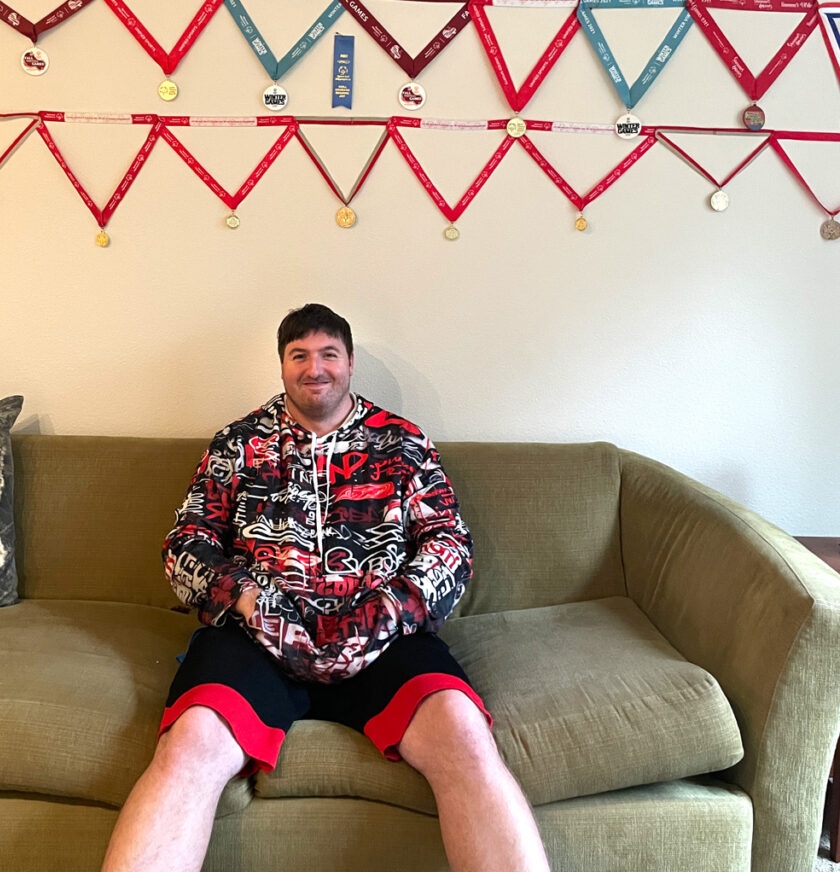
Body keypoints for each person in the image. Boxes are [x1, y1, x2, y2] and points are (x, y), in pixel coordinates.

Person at [101, 304, 550, 872]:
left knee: (463, 732)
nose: (315, 368)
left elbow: (449, 544)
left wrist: (388, 611)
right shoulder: (237, 443)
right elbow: (185, 544)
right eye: (300, 356)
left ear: (350, 362)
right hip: (256, 635)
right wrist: (247, 600)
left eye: (328, 354)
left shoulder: (403, 443)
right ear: (283, 366)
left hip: (381, 637)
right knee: (190, 743)